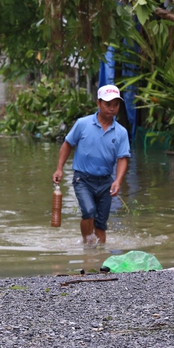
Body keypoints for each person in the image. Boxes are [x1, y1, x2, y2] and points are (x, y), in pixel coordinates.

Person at [52, 84, 130, 246]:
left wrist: (118, 180)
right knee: (88, 212)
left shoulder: (121, 132)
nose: (112, 108)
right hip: (83, 179)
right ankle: (87, 246)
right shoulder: (83, 124)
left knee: (101, 223)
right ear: (98, 104)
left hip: (106, 181)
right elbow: (67, 144)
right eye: (108, 104)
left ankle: (99, 255)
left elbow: (122, 158)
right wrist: (59, 168)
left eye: (115, 105)